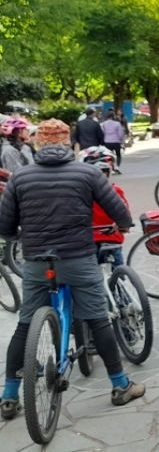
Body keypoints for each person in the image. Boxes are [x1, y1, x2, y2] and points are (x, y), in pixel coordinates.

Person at [0, 119, 144, 420]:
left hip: (38, 260)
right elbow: (119, 210)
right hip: (78, 257)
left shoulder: (20, 177)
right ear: (68, 142)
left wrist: (18, 234)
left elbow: (6, 225)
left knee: (25, 324)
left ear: (37, 142)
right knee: (97, 318)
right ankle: (120, 385)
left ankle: (9, 394)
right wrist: (124, 225)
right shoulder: (88, 172)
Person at [80, 147, 127, 268]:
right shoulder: (116, 191)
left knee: (92, 275)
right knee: (118, 271)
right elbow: (124, 214)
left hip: (90, 239)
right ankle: (120, 282)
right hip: (113, 238)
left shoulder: (80, 193)